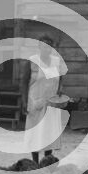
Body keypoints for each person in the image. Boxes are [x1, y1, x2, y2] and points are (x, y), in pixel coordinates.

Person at [20, 35, 68, 164]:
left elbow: (61, 77)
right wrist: (24, 101)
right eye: (44, 46)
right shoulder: (32, 61)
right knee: (35, 134)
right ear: (39, 47)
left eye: (49, 46)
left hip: (51, 103)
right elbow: (24, 82)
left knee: (49, 134)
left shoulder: (56, 61)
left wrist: (60, 89)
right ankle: (35, 162)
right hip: (35, 102)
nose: (47, 49)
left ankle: (46, 161)